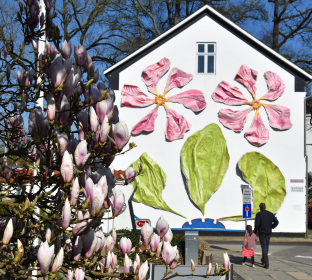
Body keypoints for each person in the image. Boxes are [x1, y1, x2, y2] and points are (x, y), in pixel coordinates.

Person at [254, 203, 279, 269]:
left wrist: (255, 232)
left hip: (262, 232)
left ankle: (266, 263)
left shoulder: (259, 214)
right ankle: (263, 260)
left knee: (264, 247)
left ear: (260, 207)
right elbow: (276, 222)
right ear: (265, 207)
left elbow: (256, 224)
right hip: (269, 232)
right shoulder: (270, 214)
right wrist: (272, 226)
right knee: (266, 247)